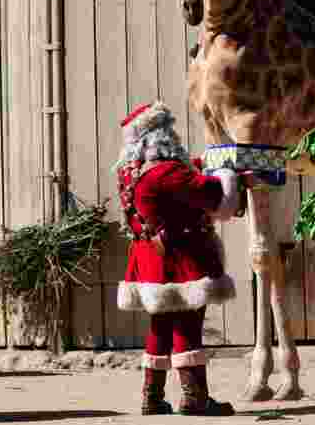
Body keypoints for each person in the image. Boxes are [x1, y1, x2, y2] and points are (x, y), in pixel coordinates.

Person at [114, 101, 242, 416]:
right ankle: (195, 398)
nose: (175, 136)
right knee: (187, 322)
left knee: (160, 325)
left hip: (150, 259)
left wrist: (200, 163)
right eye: (169, 132)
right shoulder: (166, 172)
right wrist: (227, 175)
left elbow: (181, 176)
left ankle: (152, 397)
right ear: (160, 138)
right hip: (179, 257)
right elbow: (208, 193)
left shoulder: (129, 172)